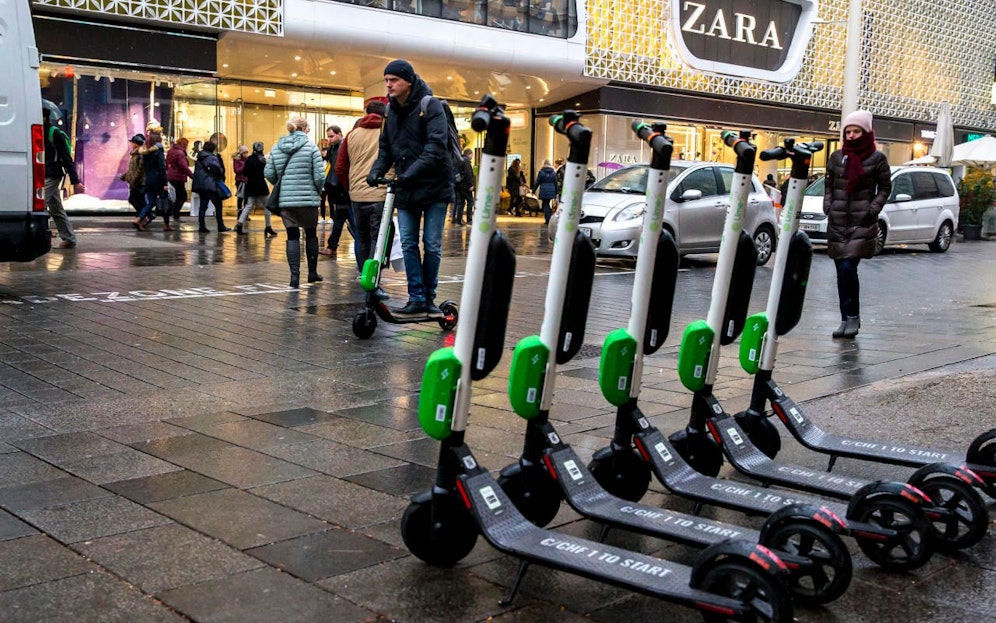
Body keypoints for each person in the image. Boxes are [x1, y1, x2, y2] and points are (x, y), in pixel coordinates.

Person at [367, 59, 454, 318]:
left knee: (432, 244)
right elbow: (386, 148)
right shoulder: (390, 112)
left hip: (435, 187)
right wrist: (376, 171)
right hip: (406, 188)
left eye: (393, 80)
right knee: (407, 243)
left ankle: (429, 297)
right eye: (386, 80)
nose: (389, 85)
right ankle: (416, 297)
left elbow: (436, 147)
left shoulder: (431, 106)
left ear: (408, 81)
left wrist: (409, 174)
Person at [823, 109, 891, 339]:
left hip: (861, 223)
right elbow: (829, 184)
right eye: (848, 131)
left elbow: (885, 188)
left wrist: (872, 209)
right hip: (838, 222)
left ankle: (852, 317)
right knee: (841, 273)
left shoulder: (877, 158)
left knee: (847, 268)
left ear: (866, 132)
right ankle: (846, 318)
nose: (851, 135)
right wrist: (828, 205)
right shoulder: (836, 157)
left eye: (856, 131)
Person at [335, 96, 391, 296]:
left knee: (363, 237)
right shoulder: (388, 132)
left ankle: (364, 275)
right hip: (381, 193)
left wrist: (352, 187)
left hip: (357, 195)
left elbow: (340, 167)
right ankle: (374, 282)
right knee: (379, 239)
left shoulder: (352, 135)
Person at [265, 115, 325, 288]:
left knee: (292, 236)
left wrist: (281, 184)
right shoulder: (311, 147)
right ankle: (312, 273)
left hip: (286, 201)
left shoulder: (277, 148)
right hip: (308, 200)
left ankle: (294, 277)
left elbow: (268, 172)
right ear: (305, 128)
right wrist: (316, 189)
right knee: (311, 234)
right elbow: (320, 175)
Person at [42, 100, 82, 248]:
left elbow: (66, 158)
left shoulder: (55, 133)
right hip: (42, 174)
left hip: (52, 175)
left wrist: (75, 181)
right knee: (56, 208)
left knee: (39, 206)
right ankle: (69, 238)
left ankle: (42, 237)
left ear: (44, 117)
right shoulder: (36, 131)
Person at [320, 125, 357, 262]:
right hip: (338, 189)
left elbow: (341, 168)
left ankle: (333, 245)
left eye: (331, 136)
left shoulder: (343, 147)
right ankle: (332, 245)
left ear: (339, 134)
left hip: (343, 189)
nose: (329, 139)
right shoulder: (333, 148)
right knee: (340, 217)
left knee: (346, 218)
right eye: (328, 136)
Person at [236, 142, 278, 237]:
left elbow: (245, 172)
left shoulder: (249, 159)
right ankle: (268, 226)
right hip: (261, 185)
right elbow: (265, 172)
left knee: (248, 205)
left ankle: (239, 224)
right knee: (267, 206)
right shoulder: (262, 160)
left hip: (250, 185)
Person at [191, 140, 231, 234]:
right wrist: (221, 171)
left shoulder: (200, 157)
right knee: (218, 204)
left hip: (201, 184)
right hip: (210, 184)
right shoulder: (211, 157)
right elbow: (217, 169)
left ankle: (202, 225)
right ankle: (220, 225)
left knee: (203, 205)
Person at [135, 125, 168, 231]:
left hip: (149, 179)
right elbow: (161, 167)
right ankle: (166, 224)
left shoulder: (146, 152)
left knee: (151, 202)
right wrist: (165, 183)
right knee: (164, 200)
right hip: (158, 179)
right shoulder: (159, 150)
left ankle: (140, 218)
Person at [166, 137, 193, 222]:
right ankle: (175, 213)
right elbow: (183, 166)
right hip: (178, 176)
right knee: (182, 195)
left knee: (179, 195)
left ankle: (175, 213)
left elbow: (167, 164)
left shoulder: (171, 151)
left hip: (171, 176)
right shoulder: (180, 153)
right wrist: (192, 175)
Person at [121, 134, 146, 214]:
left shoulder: (140, 154)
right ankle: (142, 217)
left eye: (132, 143)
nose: (131, 144)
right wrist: (125, 176)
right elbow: (133, 169)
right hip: (137, 181)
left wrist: (134, 179)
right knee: (141, 201)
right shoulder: (135, 154)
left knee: (133, 199)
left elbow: (140, 169)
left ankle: (145, 215)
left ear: (136, 144)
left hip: (139, 182)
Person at [452, 148, 475, 225]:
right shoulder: (466, 162)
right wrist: (471, 185)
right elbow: (468, 174)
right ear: (469, 154)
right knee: (470, 201)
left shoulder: (460, 160)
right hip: (465, 186)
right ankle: (469, 219)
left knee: (461, 202)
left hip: (459, 185)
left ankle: (459, 220)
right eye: (472, 154)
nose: (472, 156)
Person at [533, 159, 558, 225]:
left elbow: (537, 182)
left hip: (544, 190)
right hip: (552, 190)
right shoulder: (553, 172)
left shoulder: (541, 172)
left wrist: (533, 190)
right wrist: (556, 192)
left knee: (545, 205)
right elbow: (555, 182)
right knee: (547, 203)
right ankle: (549, 218)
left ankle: (548, 219)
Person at [233, 145, 249, 218]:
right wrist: (245, 165)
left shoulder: (248, 159)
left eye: (247, 152)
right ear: (241, 153)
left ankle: (245, 214)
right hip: (240, 181)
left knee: (247, 198)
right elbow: (236, 170)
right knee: (240, 197)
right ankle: (239, 213)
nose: (246, 154)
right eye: (245, 152)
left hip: (247, 180)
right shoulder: (237, 160)